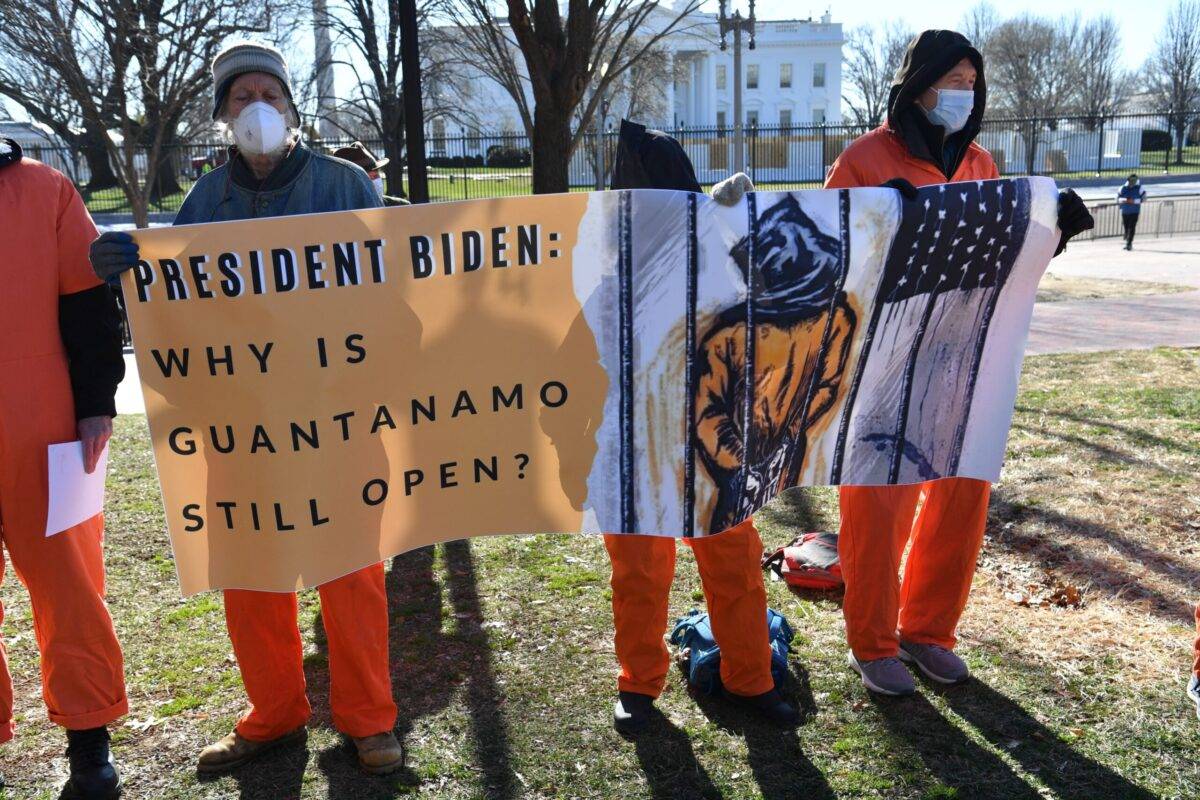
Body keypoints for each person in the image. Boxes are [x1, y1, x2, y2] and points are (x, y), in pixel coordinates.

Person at [88, 42, 403, 775]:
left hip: (338, 420)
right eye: (240, 97)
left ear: (291, 105)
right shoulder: (205, 203)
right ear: (222, 116)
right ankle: (275, 713)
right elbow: (182, 310)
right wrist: (126, 272)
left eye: (269, 91)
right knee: (252, 569)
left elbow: (396, 297)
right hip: (244, 428)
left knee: (350, 571)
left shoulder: (347, 186)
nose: (256, 105)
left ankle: (368, 719)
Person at [821, 29, 1093, 696]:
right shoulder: (863, 158)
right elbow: (828, 257)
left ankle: (928, 631)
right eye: (953, 82)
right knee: (879, 503)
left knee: (960, 494)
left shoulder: (980, 161)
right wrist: (886, 229)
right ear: (919, 85)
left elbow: (997, 261)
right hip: (880, 360)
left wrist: (1049, 233)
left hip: (960, 356)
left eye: (973, 84)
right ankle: (874, 641)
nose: (963, 96)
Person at [604, 120, 798, 735]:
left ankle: (752, 678)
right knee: (638, 568)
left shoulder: (719, 257)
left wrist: (734, 230)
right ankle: (638, 683)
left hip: (715, 442)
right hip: (634, 446)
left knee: (733, 560)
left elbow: (778, 309)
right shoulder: (603, 268)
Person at [0, 137, 127, 798]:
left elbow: (87, 299)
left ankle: (90, 746)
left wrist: (97, 400)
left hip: (45, 427)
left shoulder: (44, 187)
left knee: (71, 588)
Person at [331, 141, 410, 206]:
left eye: (376, 176)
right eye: (369, 178)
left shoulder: (399, 207)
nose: (375, 181)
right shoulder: (331, 211)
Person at [1118, 173, 1146, 250]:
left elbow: (1144, 199)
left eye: (1134, 180)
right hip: (1125, 211)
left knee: (1131, 227)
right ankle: (1127, 238)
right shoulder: (1122, 188)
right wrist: (1126, 200)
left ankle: (1129, 243)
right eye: (1131, 180)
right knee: (1126, 227)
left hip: (1135, 211)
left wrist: (1134, 201)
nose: (1132, 182)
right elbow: (1118, 198)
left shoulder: (1140, 188)